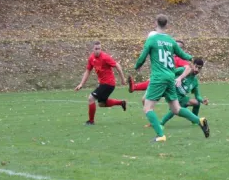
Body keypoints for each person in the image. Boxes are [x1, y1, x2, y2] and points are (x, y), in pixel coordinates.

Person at [134, 14, 210, 142]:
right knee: (176, 108)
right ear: (166, 25)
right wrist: (191, 58)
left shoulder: (152, 39)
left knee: (147, 108)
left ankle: (160, 135)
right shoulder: (170, 40)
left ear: (155, 23)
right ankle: (200, 121)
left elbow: (142, 57)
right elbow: (181, 54)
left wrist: (137, 66)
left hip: (159, 77)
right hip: (170, 77)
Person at [74, 41, 127, 125]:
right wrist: (81, 84)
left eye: (99, 49)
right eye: (96, 49)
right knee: (102, 104)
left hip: (108, 83)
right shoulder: (91, 58)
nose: (98, 50)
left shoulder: (105, 57)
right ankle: (121, 102)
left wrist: (123, 79)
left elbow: (117, 66)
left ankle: (91, 121)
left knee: (91, 98)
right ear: (93, 49)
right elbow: (88, 71)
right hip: (104, 84)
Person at [160, 58, 208, 127]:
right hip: (172, 95)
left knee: (197, 103)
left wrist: (202, 100)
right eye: (196, 66)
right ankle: (161, 123)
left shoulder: (194, 81)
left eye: (199, 68)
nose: (197, 69)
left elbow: (197, 96)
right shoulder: (183, 70)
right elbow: (170, 72)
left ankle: (194, 121)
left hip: (182, 98)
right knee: (175, 109)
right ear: (192, 65)